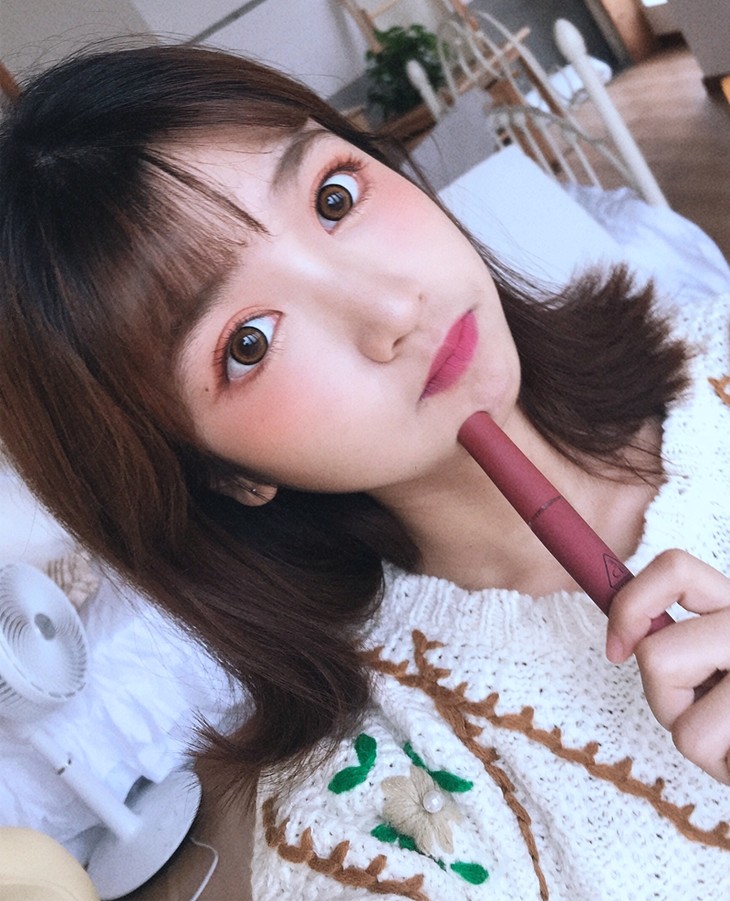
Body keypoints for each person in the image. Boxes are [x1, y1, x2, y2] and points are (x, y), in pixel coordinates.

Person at [0, 44, 729, 900]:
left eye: (334, 198)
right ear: (221, 475)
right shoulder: (363, 822)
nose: (392, 309)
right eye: (248, 343)